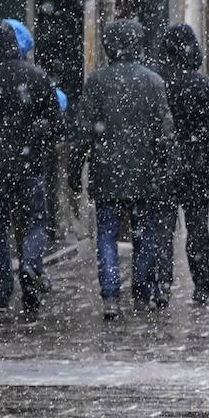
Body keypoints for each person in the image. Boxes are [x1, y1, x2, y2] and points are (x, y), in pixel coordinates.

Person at [70, 18, 176, 319]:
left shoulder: (97, 82)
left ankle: (111, 297)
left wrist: (75, 172)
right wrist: (167, 168)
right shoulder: (153, 82)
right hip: (145, 175)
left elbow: (82, 134)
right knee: (144, 235)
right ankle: (141, 295)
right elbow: (165, 134)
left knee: (106, 235)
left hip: (107, 173)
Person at [0, 20, 65, 317]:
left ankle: (3, 288)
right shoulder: (37, 76)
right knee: (35, 220)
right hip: (30, 164)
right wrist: (38, 131)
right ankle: (31, 267)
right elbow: (58, 126)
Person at [154, 23, 209, 305]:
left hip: (163, 166)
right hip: (197, 167)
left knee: (163, 229)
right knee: (197, 230)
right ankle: (202, 282)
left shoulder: (156, 82)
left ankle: (161, 284)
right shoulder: (203, 84)